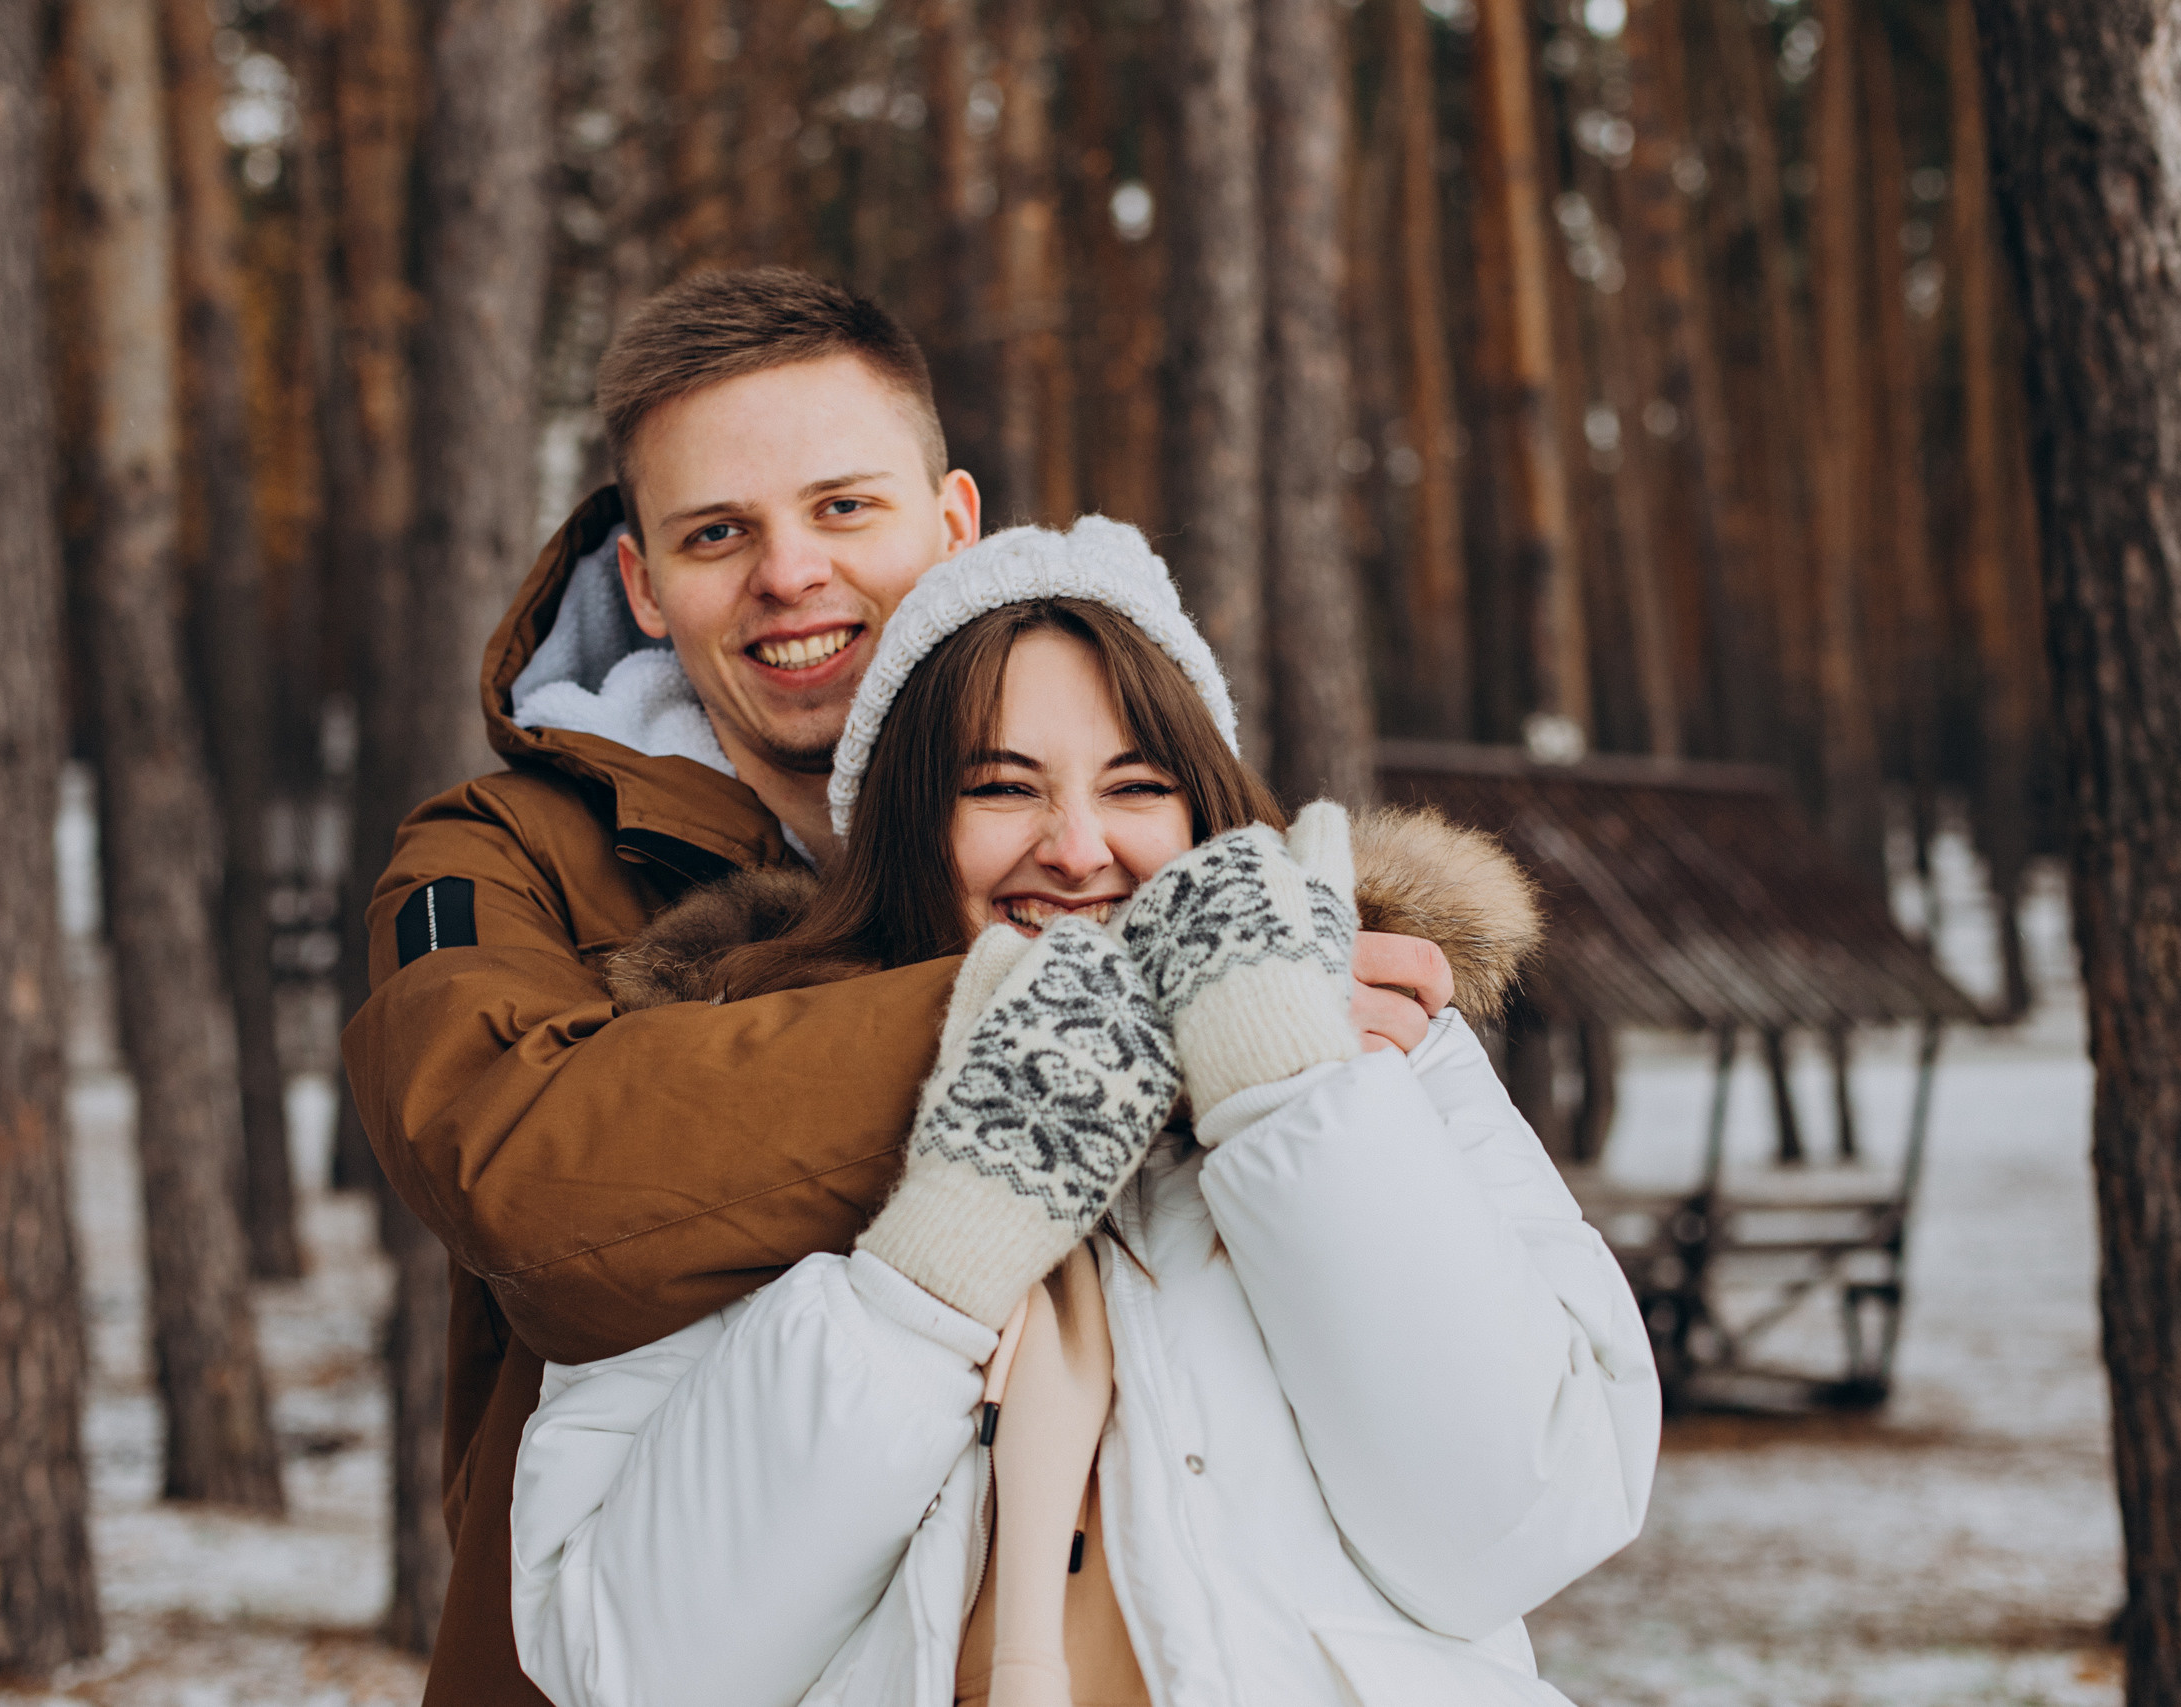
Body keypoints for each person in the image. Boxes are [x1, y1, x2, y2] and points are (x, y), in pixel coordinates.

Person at [343, 269, 1459, 1707]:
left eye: (843, 507)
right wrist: (1082, 1010)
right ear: (641, 581)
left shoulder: (1127, 826)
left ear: (953, 522)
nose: (790, 572)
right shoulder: (504, 854)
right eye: (716, 532)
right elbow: (514, 1165)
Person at [509, 520, 1661, 1707]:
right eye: (1001, 788)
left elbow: (1526, 1520)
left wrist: (1287, 1092)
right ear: (908, 827)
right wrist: (939, 1256)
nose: (1077, 850)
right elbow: (634, 1667)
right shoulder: (734, 1095)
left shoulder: (1385, 1048)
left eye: (1137, 786)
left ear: (1204, 811)